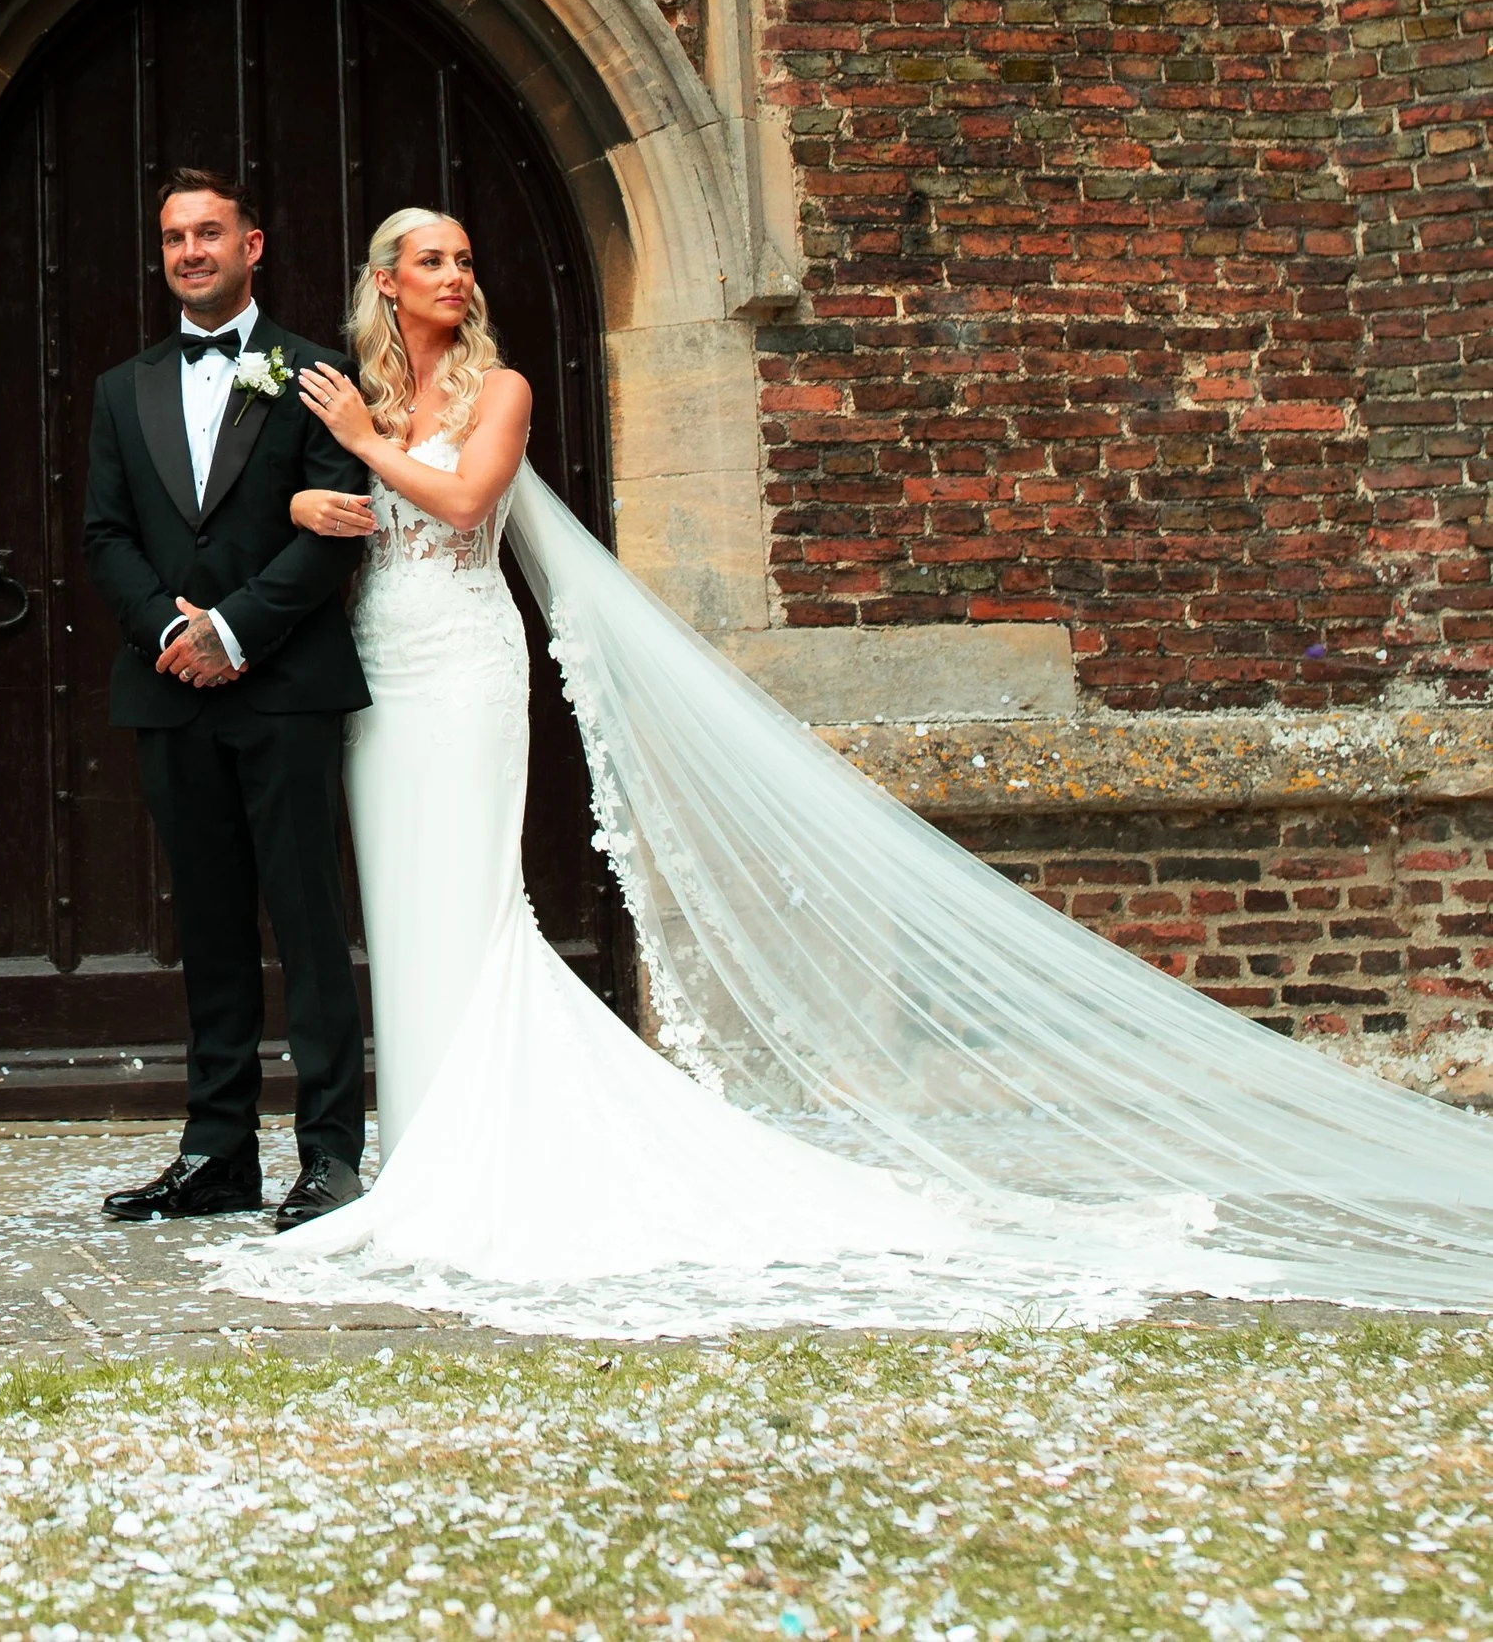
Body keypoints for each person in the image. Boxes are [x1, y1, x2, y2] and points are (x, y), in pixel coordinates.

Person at [205, 204, 1493, 1339]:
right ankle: (423, 1143)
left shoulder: (502, 390)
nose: (457, 279)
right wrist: (322, 502)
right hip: (384, 668)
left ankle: (486, 1158)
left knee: (476, 901)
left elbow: (471, 504)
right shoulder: (350, 388)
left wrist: (368, 456)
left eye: (467, 260)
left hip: (473, 671)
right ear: (386, 281)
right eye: (432, 261)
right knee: (403, 902)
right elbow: (326, 523)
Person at [81, 165, 373, 1232]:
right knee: (206, 929)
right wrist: (171, 630)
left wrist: (235, 630)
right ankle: (217, 1153)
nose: (190, 252)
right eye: (173, 238)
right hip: (169, 690)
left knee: (307, 922)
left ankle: (332, 1154)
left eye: (209, 233)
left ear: (254, 247)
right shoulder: (125, 388)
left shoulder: (318, 376)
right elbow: (104, 536)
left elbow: (336, 523)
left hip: (284, 686)